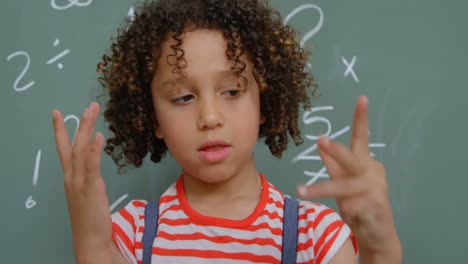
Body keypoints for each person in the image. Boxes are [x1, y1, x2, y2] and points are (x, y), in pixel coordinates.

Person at [51, 0, 402, 263]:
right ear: (152, 117)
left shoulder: (315, 235)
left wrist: (381, 247)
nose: (209, 116)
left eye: (232, 92)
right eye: (183, 97)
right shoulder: (133, 234)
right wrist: (92, 241)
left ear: (264, 99)